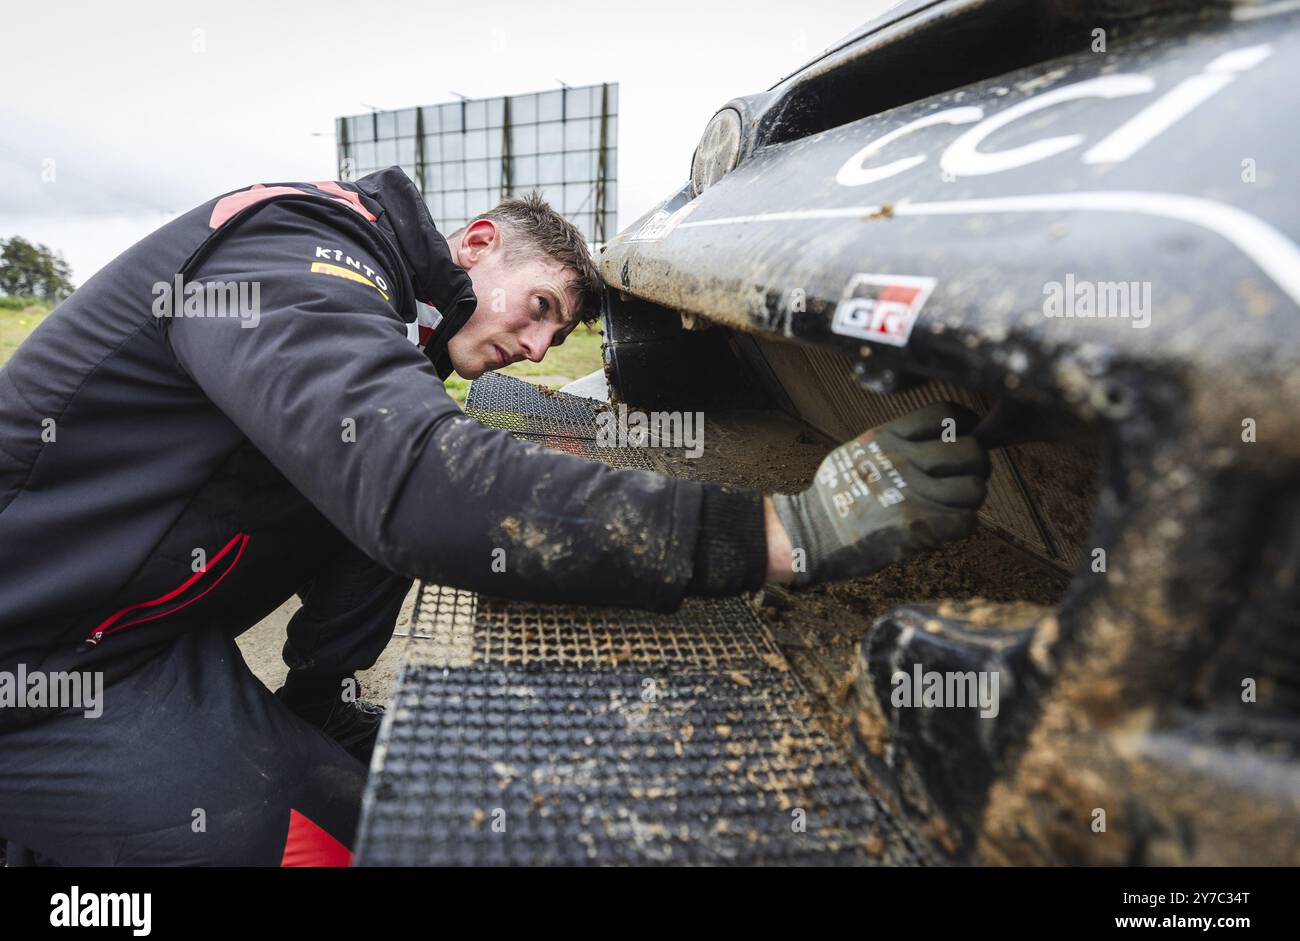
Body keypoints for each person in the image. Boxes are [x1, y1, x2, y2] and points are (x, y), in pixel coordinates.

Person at [0, 167, 989, 865]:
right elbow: (414, 485)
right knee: (314, 850)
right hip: (38, 662)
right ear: (475, 242)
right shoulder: (293, 245)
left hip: (141, 640)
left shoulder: (399, 333)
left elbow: (368, 510)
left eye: (553, 332)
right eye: (539, 307)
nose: (532, 346)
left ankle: (285, 718)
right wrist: (779, 531)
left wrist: (317, 689)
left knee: (361, 804)